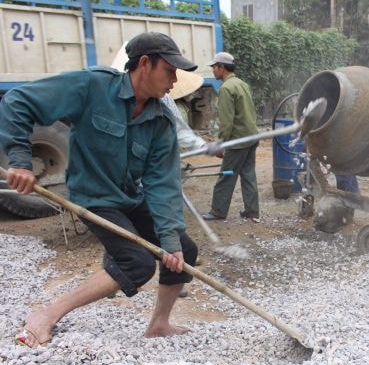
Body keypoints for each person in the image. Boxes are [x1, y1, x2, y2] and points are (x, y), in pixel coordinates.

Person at [0, 32, 199, 347]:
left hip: (128, 197)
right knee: (137, 262)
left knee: (184, 251)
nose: (174, 80)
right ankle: (48, 314)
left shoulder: (160, 121)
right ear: (144, 64)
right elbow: (18, 102)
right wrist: (21, 161)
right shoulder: (92, 86)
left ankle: (159, 324)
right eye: (169, 70)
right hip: (93, 197)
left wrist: (170, 240)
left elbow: (163, 184)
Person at [202, 52, 260, 223]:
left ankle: (218, 211)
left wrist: (220, 144)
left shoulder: (227, 88)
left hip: (238, 141)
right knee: (248, 174)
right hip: (251, 136)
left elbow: (226, 122)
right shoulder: (242, 84)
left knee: (226, 176)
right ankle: (252, 211)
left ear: (222, 68)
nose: (213, 70)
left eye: (214, 67)